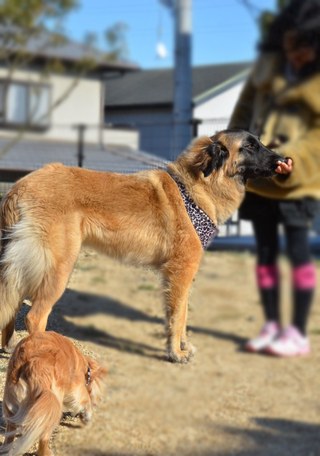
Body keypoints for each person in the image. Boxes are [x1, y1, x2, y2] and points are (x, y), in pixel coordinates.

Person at [228, 0, 320, 357]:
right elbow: (245, 109)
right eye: (289, 45)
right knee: (264, 252)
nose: (293, 55)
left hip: (300, 180)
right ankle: (270, 322)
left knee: (298, 253)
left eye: (303, 48)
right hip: (259, 175)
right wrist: (231, 143)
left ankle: (297, 330)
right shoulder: (268, 66)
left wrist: (295, 161)